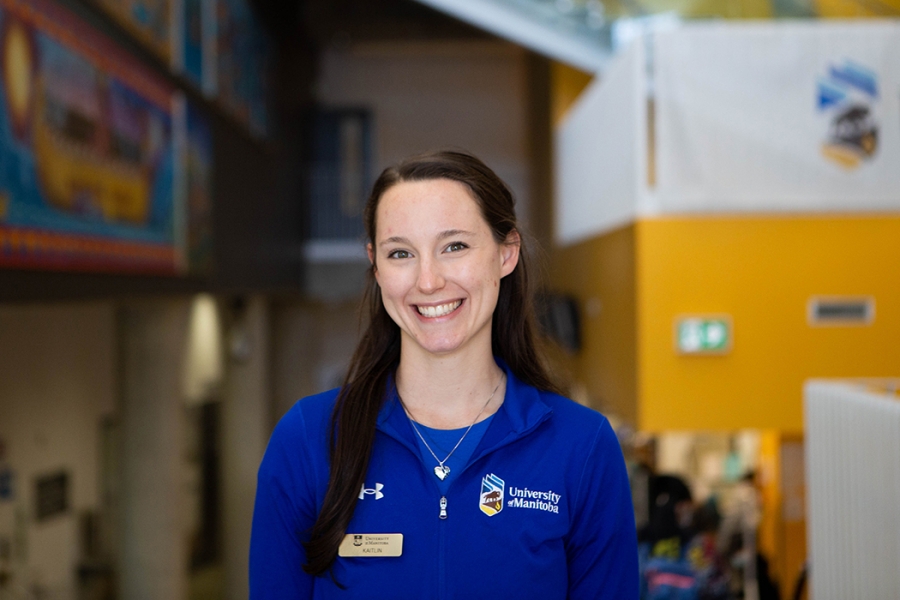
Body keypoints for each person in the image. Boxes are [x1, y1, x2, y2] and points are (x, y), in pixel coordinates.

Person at [249, 150, 639, 599]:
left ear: (506, 254)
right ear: (376, 266)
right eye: (401, 253)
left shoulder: (581, 447)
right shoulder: (309, 439)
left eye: (454, 246)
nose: (428, 281)